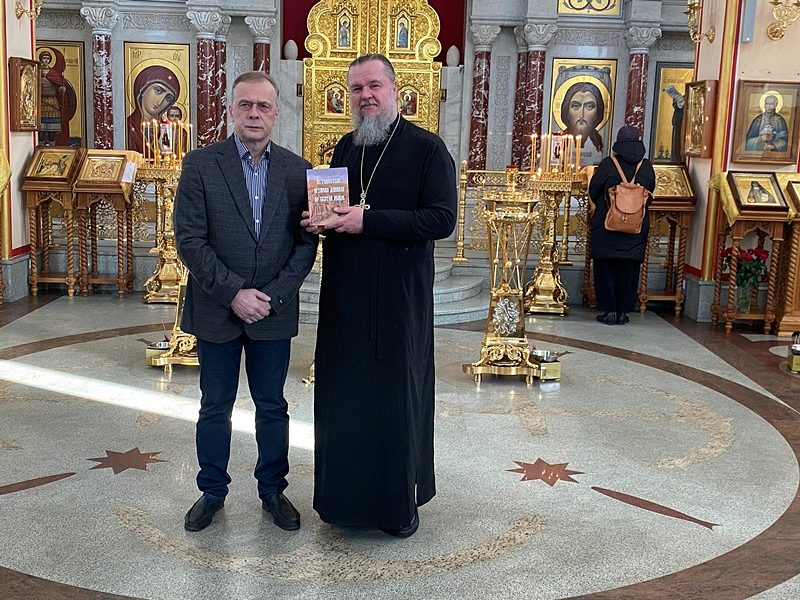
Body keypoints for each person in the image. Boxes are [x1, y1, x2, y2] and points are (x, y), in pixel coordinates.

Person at [300, 54, 457, 538]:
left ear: (395, 90)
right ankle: (340, 503)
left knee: (394, 400)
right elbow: (338, 213)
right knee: (344, 398)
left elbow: (441, 219)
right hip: (345, 296)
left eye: (374, 86)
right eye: (356, 89)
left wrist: (367, 221)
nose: (365, 96)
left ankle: (397, 508)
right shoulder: (346, 148)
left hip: (399, 299)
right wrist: (320, 223)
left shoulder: (428, 149)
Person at [175, 71, 318, 533]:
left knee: (272, 405)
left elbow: (306, 244)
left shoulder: (298, 171)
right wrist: (233, 293)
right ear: (231, 110)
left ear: (277, 114)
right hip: (217, 307)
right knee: (214, 405)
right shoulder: (201, 165)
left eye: (263, 106)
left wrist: (271, 297)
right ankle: (212, 491)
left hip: (273, 312)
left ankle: (273, 490)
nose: (254, 114)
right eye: (246, 105)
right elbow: (190, 239)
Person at [589, 125, 656, 325]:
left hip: (607, 223)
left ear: (618, 143)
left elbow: (594, 190)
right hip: (636, 225)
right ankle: (623, 313)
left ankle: (609, 310)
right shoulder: (646, 166)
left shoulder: (608, 164)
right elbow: (650, 190)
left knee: (605, 266)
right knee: (629, 268)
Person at [126, 65, 181, 154]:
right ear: (143, 89)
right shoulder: (128, 127)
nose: (160, 102)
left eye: (168, 98)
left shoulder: (166, 129)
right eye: (158, 91)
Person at [38, 49, 77, 147]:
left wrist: (61, 89)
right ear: (41, 59)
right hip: (40, 103)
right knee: (41, 131)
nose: (46, 60)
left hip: (52, 102)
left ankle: (52, 148)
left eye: (48, 58)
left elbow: (58, 85)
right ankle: (41, 148)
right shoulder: (37, 71)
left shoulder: (54, 73)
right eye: (44, 58)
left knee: (52, 131)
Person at [561, 81, 606, 166]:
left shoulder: (599, 144)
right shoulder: (559, 142)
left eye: (589, 107)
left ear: (597, 113)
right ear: (567, 112)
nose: (581, 114)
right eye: (575, 106)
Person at [664, 84, 685, 162]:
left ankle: (677, 159)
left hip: (680, 124)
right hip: (677, 122)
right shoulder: (681, 98)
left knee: (678, 143)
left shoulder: (684, 98)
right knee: (676, 143)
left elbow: (680, 104)